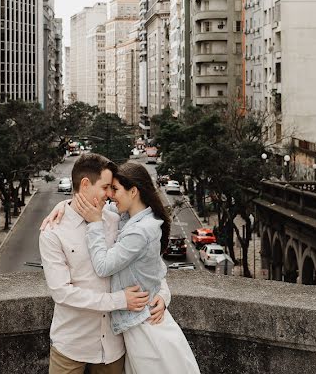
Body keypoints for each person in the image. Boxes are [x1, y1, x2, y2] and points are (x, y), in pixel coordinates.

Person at [39, 153, 170, 374]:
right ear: (85, 184)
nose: (110, 195)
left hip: (113, 345)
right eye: (106, 187)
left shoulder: (115, 220)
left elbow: (150, 263)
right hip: (72, 344)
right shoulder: (53, 232)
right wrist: (119, 300)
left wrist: (163, 294)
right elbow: (62, 293)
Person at [64, 162, 200, 374]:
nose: (110, 195)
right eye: (109, 189)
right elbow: (156, 271)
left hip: (145, 327)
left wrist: (94, 224)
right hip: (139, 322)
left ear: (133, 191)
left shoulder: (140, 231)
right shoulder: (129, 217)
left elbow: (103, 266)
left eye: (115, 189)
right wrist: (61, 208)